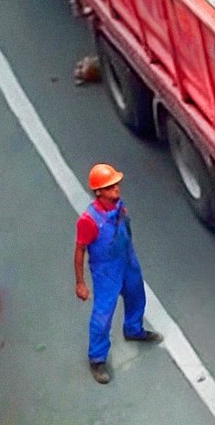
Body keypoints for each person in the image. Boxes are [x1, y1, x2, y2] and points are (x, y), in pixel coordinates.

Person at [74, 163, 163, 384]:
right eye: (111, 187)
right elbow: (79, 251)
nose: (117, 190)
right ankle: (97, 358)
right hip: (106, 271)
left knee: (136, 295)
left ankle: (134, 328)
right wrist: (80, 283)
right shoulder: (88, 221)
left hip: (127, 260)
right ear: (99, 192)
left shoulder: (118, 206)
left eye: (116, 185)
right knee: (103, 315)